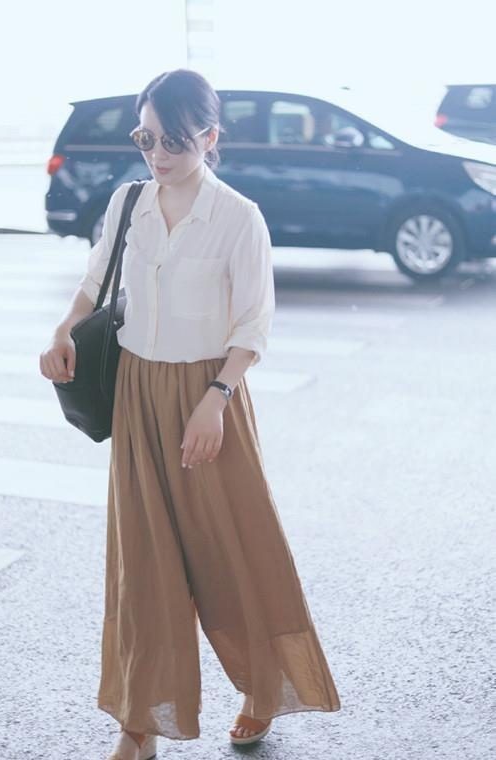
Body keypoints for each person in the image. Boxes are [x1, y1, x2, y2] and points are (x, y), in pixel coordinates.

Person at [40, 69, 340, 760]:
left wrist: (217, 398)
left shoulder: (238, 217)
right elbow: (94, 282)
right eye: (146, 138)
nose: (158, 154)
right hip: (137, 393)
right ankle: (138, 724)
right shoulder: (128, 202)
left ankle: (263, 688)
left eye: (173, 140)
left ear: (208, 137)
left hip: (209, 399)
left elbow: (253, 326)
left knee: (230, 554)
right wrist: (63, 330)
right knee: (142, 566)